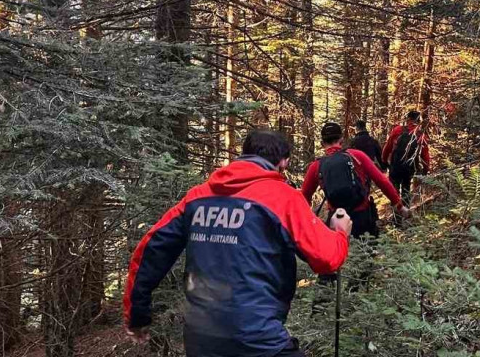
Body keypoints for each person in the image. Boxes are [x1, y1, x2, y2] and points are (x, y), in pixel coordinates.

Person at [123, 130, 352, 357]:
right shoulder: (283, 198)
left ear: (244, 155)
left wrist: (137, 316)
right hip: (258, 338)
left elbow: (151, 250)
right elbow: (327, 259)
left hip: (199, 338)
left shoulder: (196, 197)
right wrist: (341, 232)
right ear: (283, 162)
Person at [302, 122, 408, 238]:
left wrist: (308, 221)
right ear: (341, 140)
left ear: (322, 143)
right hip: (363, 217)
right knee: (367, 252)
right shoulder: (357, 155)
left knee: (341, 254)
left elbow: (304, 196)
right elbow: (381, 181)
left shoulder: (316, 166)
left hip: (336, 219)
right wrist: (399, 205)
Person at [382, 110, 430, 207]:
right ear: (419, 120)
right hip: (409, 168)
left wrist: (384, 161)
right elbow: (425, 155)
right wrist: (426, 169)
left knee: (394, 192)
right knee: (406, 189)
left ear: (408, 119)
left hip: (396, 166)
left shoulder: (397, 130)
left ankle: (396, 216)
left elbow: (387, 148)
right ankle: (405, 213)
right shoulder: (421, 135)